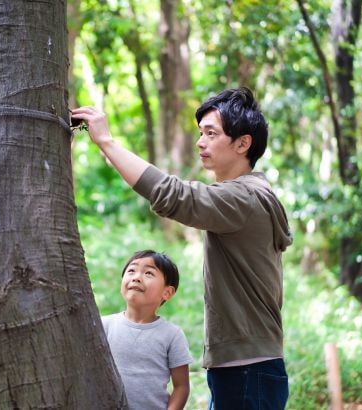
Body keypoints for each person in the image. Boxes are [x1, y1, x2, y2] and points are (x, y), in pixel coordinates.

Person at [72, 87, 293, 410]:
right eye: (200, 133)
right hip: (244, 366)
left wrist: (107, 141)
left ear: (243, 143)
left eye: (211, 133)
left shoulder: (243, 198)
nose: (201, 142)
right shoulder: (246, 197)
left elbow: (173, 195)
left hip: (248, 369)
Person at [102, 249, 192, 410]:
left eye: (148, 273)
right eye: (131, 270)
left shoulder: (172, 335)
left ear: (167, 292)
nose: (136, 277)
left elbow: (181, 386)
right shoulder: (104, 325)